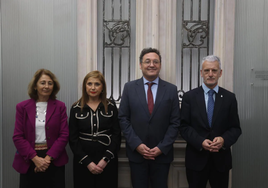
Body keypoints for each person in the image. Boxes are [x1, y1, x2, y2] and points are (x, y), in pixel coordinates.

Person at [118, 47, 180, 188]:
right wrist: (137, 145)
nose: (151, 65)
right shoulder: (129, 88)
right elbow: (123, 118)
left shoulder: (171, 89)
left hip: (162, 155)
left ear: (160, 65)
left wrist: (161, 147)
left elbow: (175, 122)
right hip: (137, 154)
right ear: (140, 65)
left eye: (155, 62)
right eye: (147, 61)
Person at [179, 55, 242, 188]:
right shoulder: (189, 97)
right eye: (207, 71)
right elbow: (183, 126)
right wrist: (200, 141)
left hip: (221, 161)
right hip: (196, 160)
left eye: (214, 70)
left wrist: (223, 140)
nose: (210, 74)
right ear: (201, 73)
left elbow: (235, 128)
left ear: (220, 73)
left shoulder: (230, 98)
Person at [12, 69, 69, 188]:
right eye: (43, 83)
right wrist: (35, 158)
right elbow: (18, 137)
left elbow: (64, 135)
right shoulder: (22, 107)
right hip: (29, 158)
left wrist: (47, 159)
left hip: (54, 158)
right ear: (35, 86)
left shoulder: (60, 106)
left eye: (50, 83)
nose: (46, 86)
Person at [69, 70, 121, 188]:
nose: (93, 87)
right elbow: (73, 138)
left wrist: (106, 159)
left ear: (102, 87)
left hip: (107, 160)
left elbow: (116, 135)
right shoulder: (76, 108)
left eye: (97, 84)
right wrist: (87, 162)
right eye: (89, 84)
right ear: (85, 86)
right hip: (83, 161)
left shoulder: (111, 107)